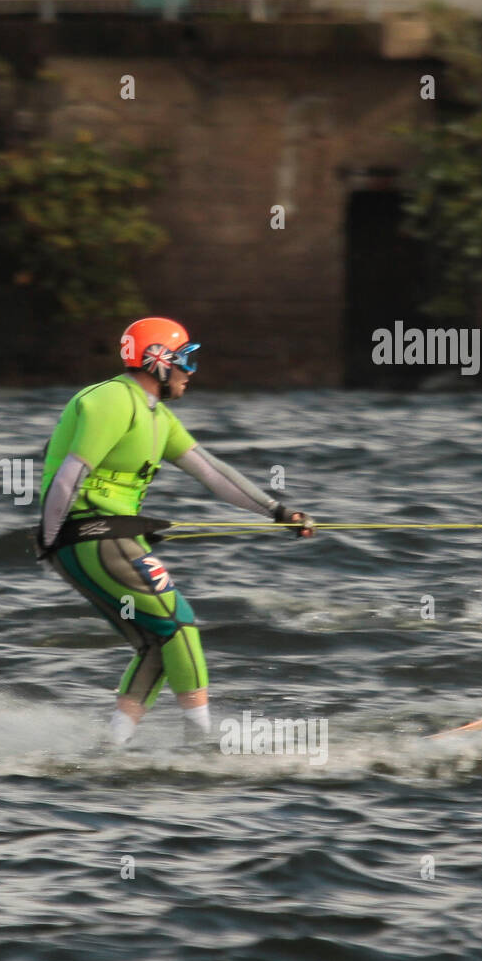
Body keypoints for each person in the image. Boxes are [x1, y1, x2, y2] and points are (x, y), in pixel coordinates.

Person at [36, 317, 315, 747]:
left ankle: (111, 749)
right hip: (92, 537)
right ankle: (202, 747)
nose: (191, 371)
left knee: (157, 642)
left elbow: (212, 473)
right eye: (186, 360)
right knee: (180, 626)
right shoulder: (113, 400)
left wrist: (277, 511)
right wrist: (50, 540)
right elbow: (70, 476)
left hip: (97, 541)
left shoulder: (157, 417)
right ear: (158, 361)